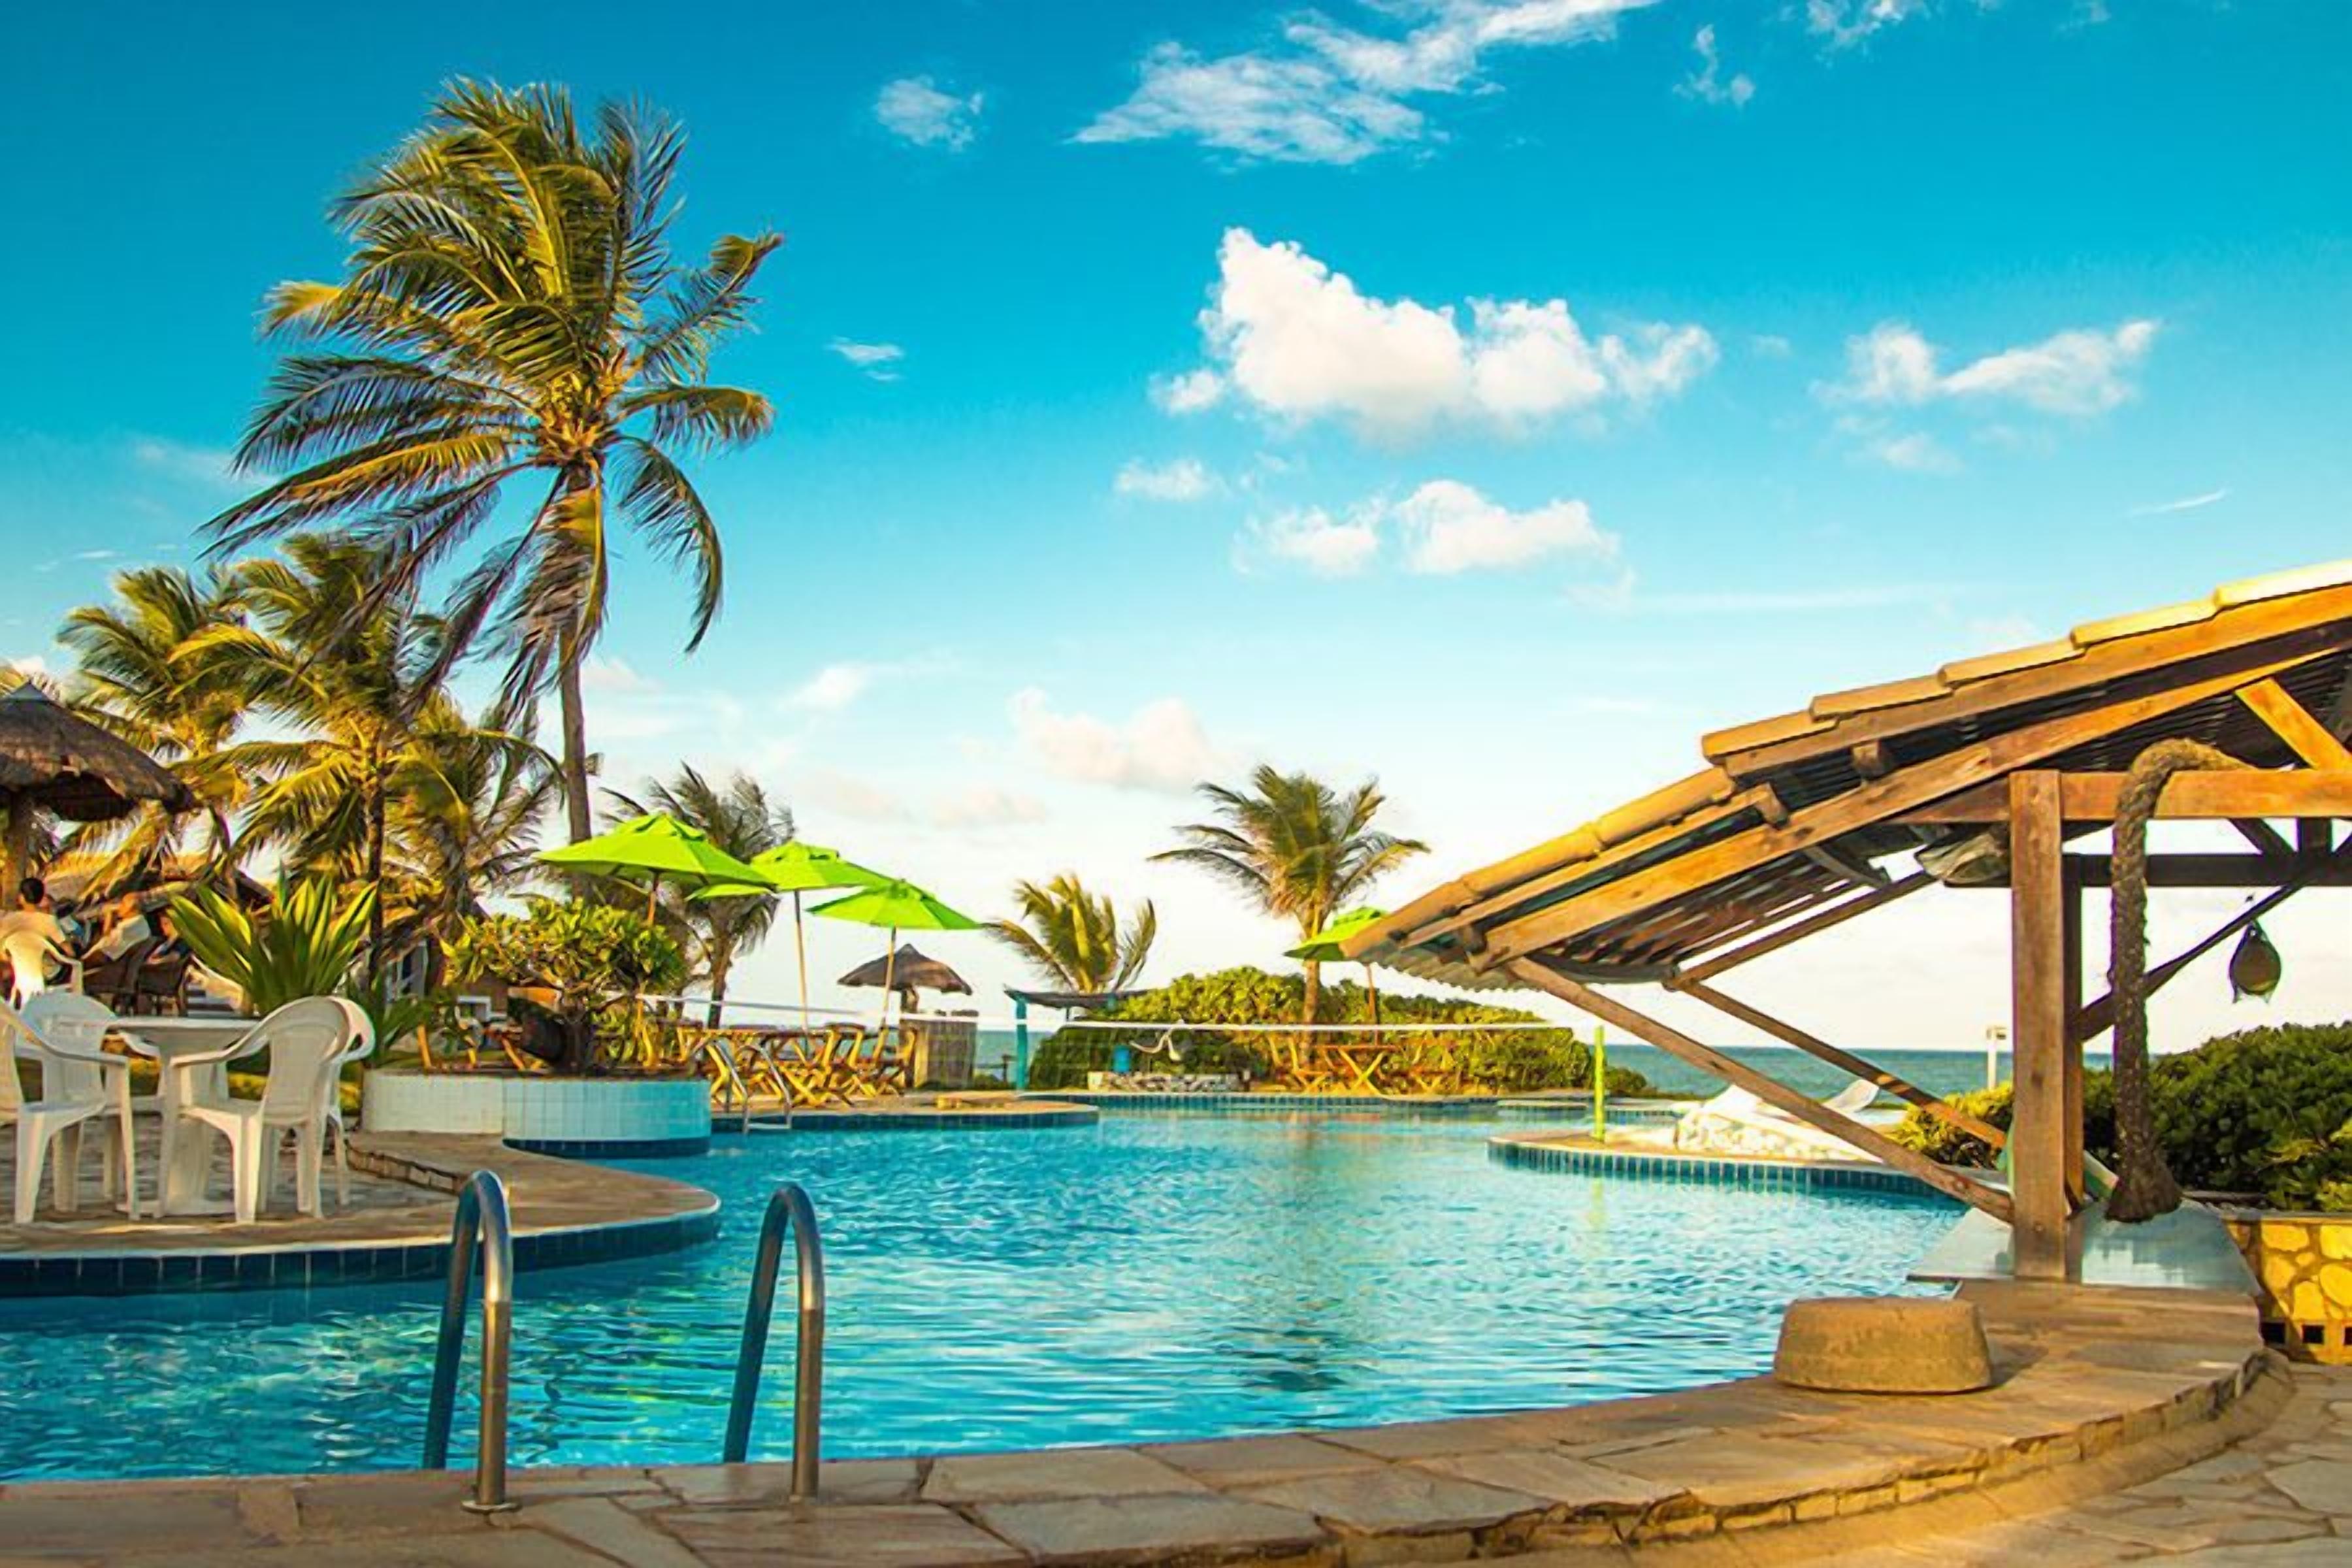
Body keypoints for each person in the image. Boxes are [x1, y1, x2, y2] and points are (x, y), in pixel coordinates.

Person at [85, 892, 152, 964]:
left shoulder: (130, 924)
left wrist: (109, 915)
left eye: (123, 904)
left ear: (132, 909)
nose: (120, 906)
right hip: (114, 954)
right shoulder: (142, 923)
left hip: (104, 953)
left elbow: (106, 933)